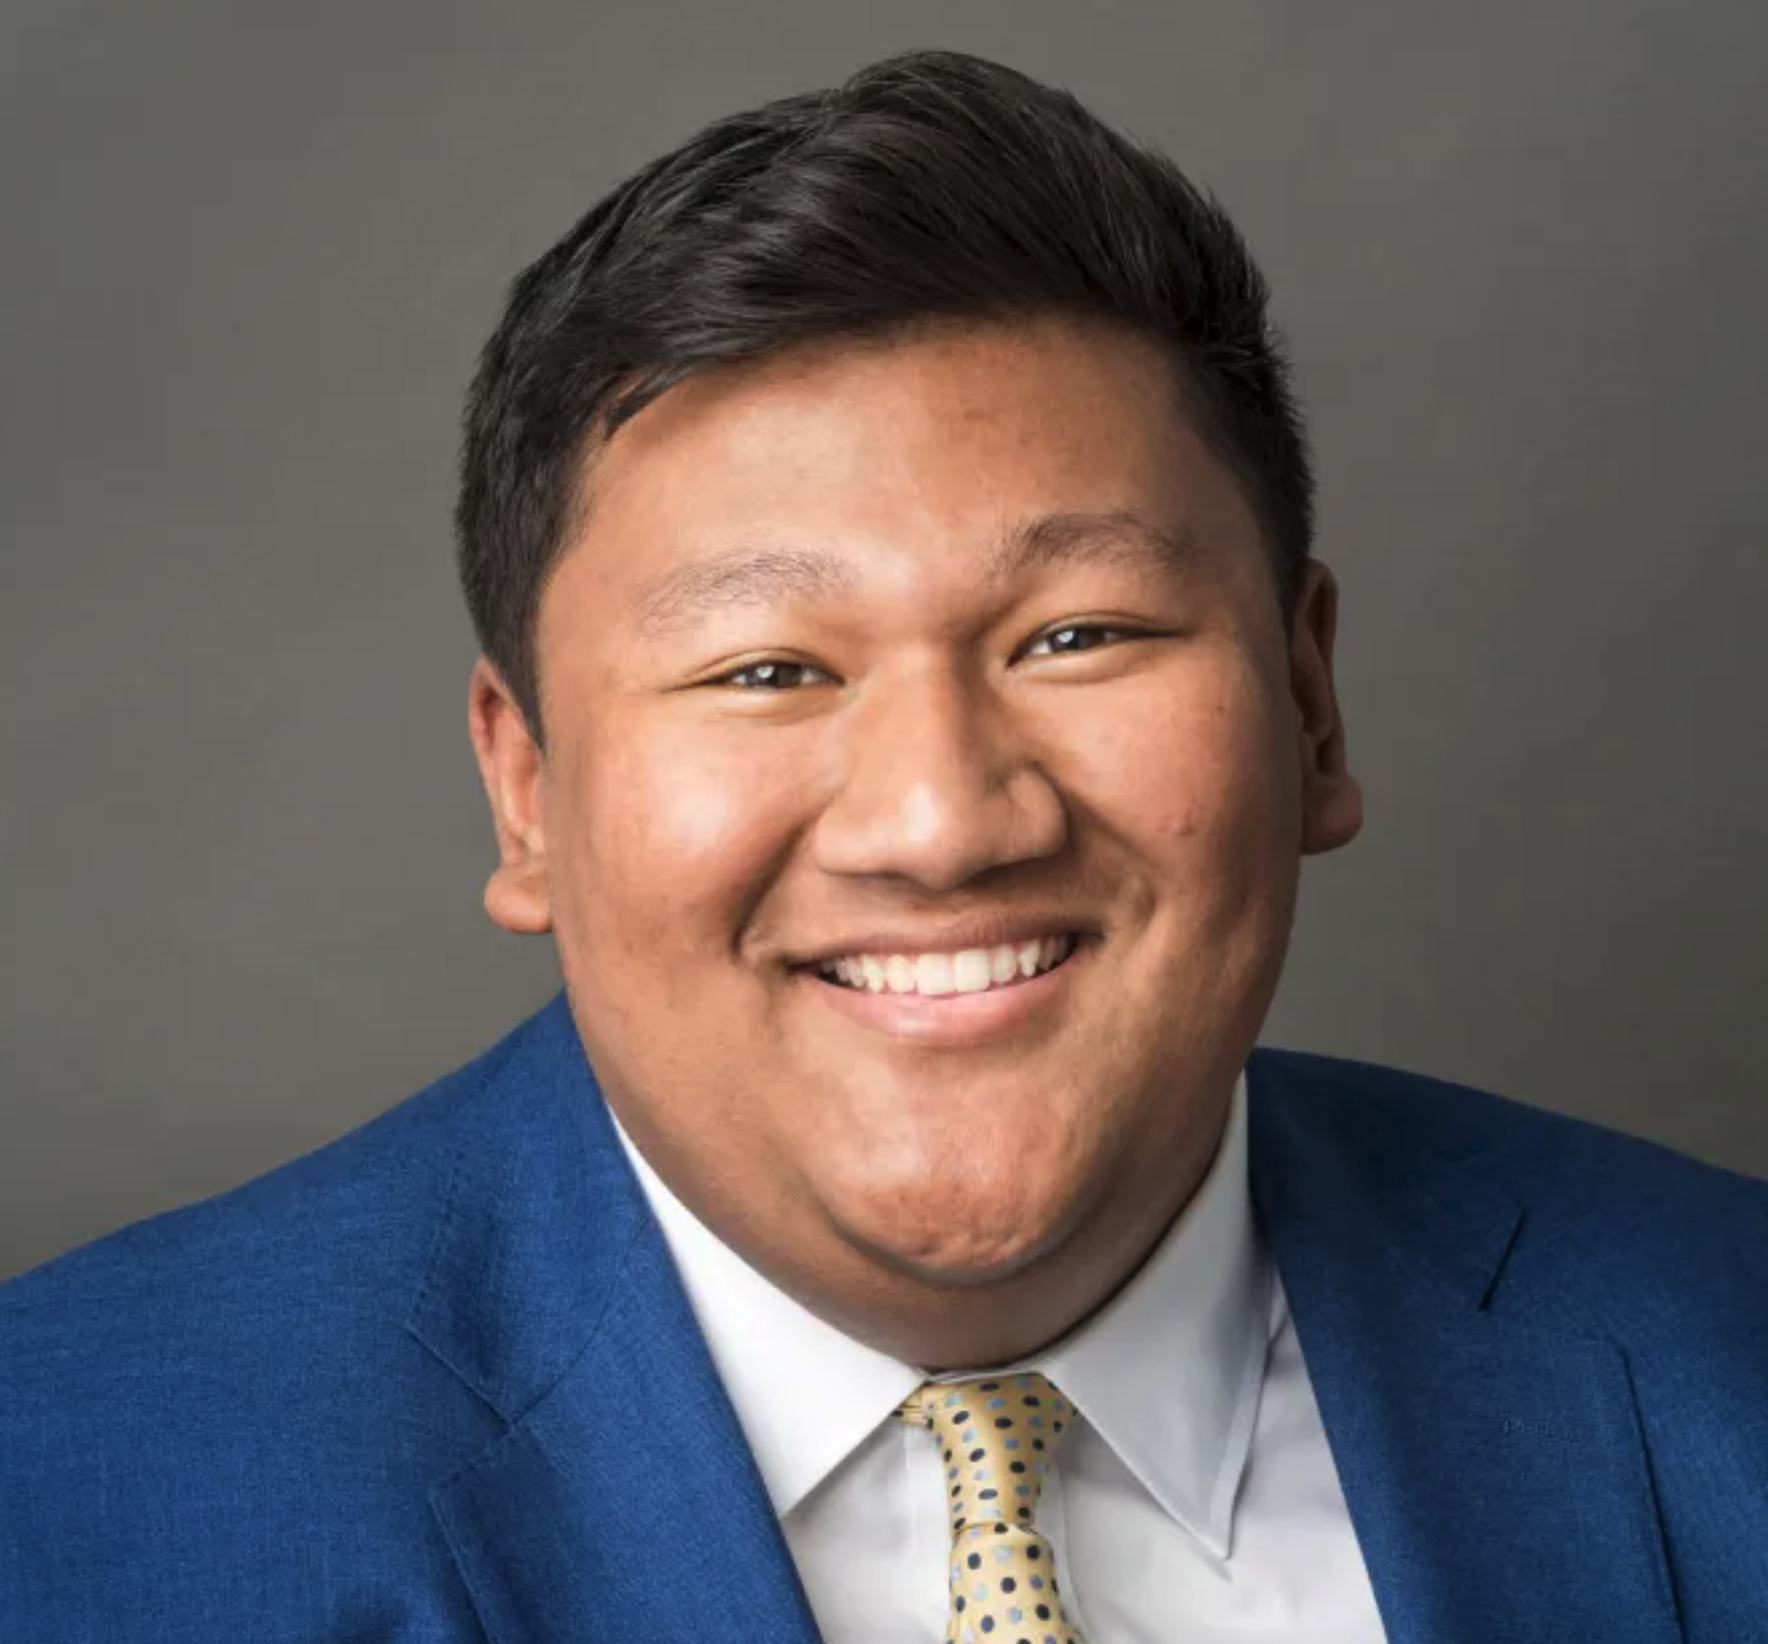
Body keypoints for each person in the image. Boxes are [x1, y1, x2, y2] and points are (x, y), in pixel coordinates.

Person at [1, 45, 1762, 1644]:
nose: (942, 823)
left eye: (1078, 636)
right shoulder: (78, 1486)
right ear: (525, 786)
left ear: (1308, 705)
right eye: (768, 667)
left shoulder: (1719, 1348)